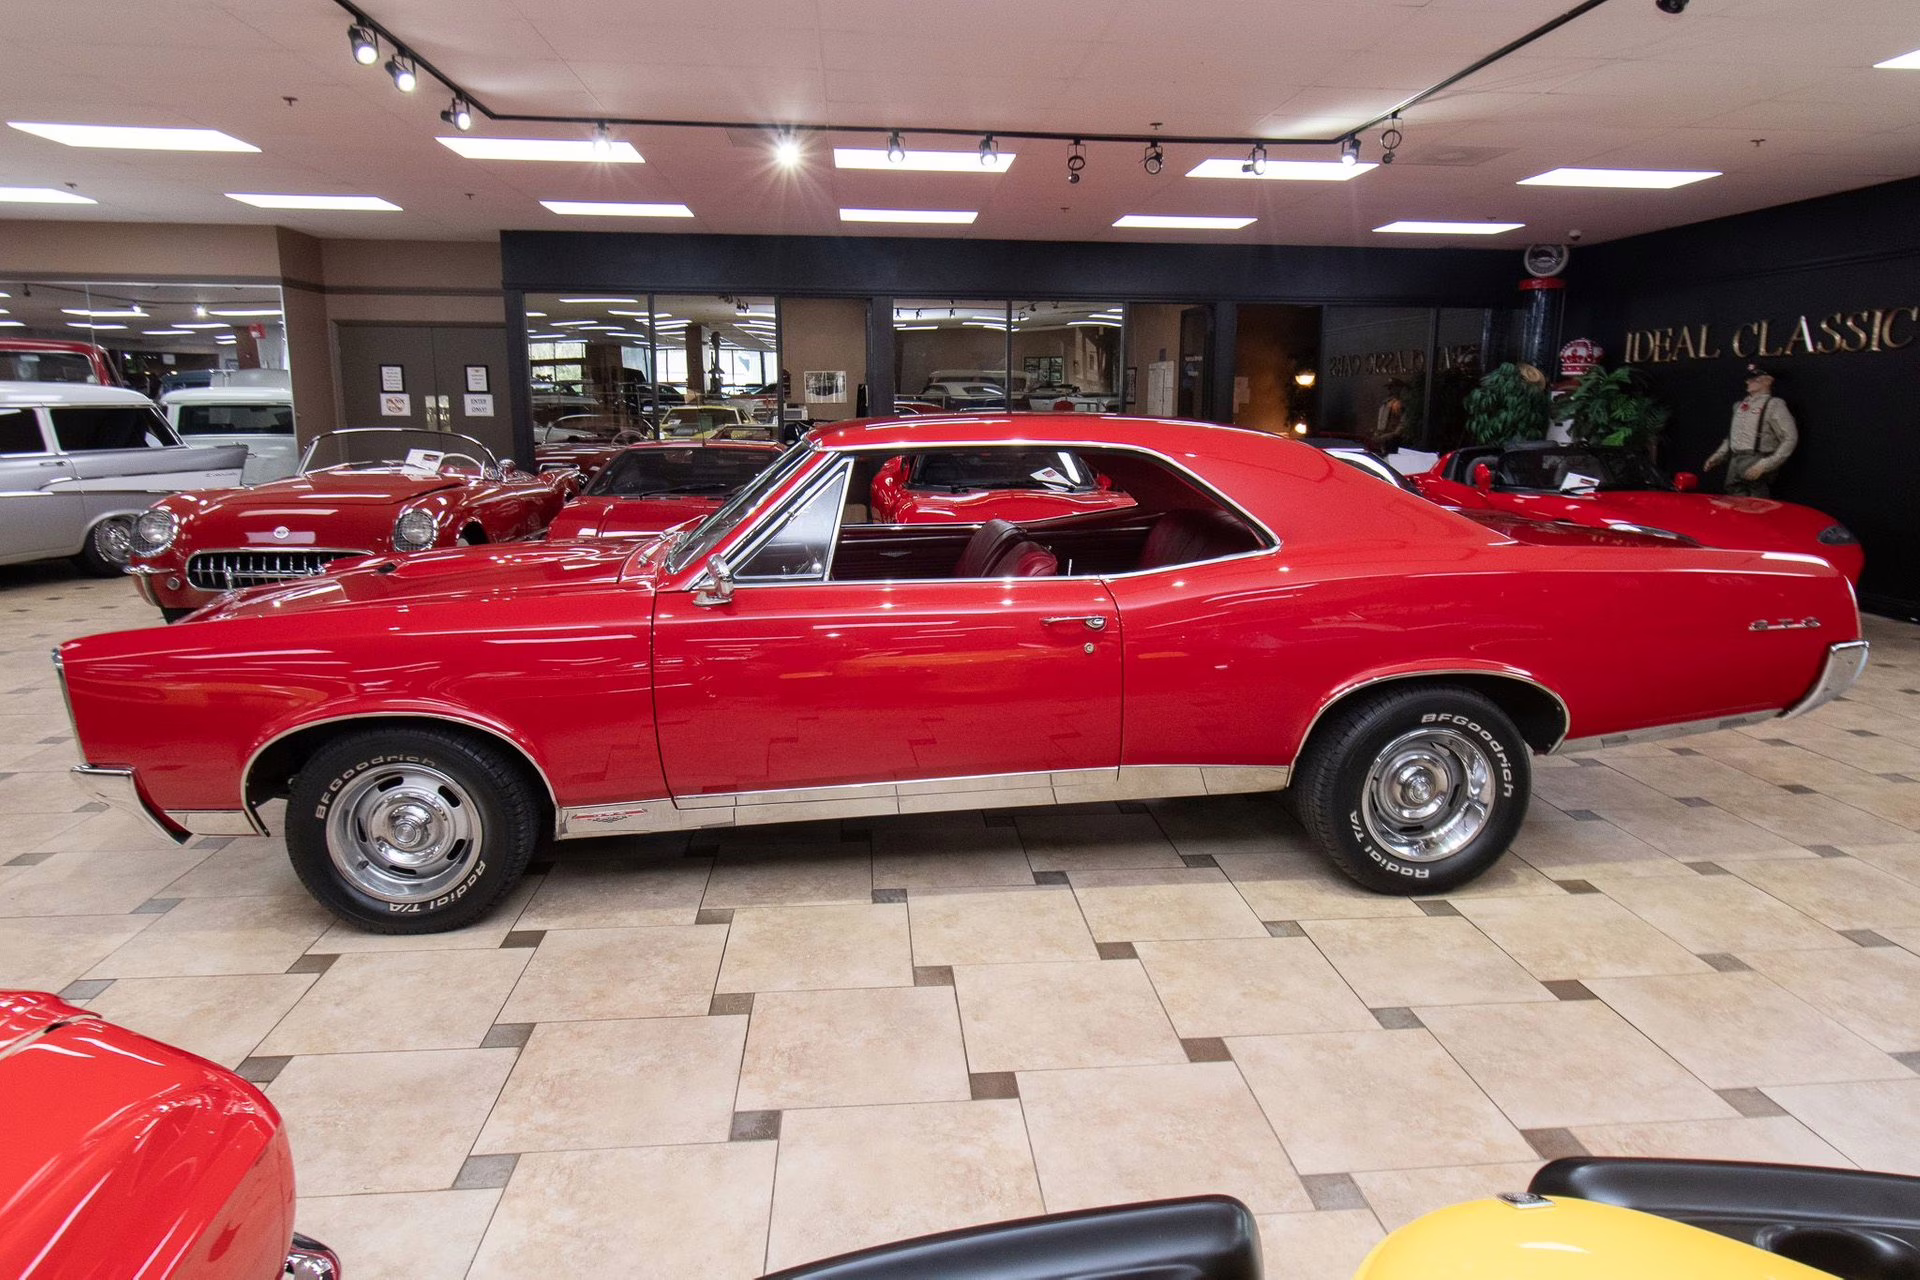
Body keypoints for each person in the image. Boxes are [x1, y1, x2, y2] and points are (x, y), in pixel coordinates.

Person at [1705, 364, 1797, 498]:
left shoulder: (1773, 405)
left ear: (1767, 381)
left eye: (1754, 379)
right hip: (1735, 461)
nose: (1748, 382)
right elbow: (1732, 437)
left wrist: (1766, 464)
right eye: (1748, 379)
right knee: (1733, 493)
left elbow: (1790, 438)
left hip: (1756, 458)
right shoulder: (1739, 406)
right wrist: (1718, 455)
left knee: (1757, 500)